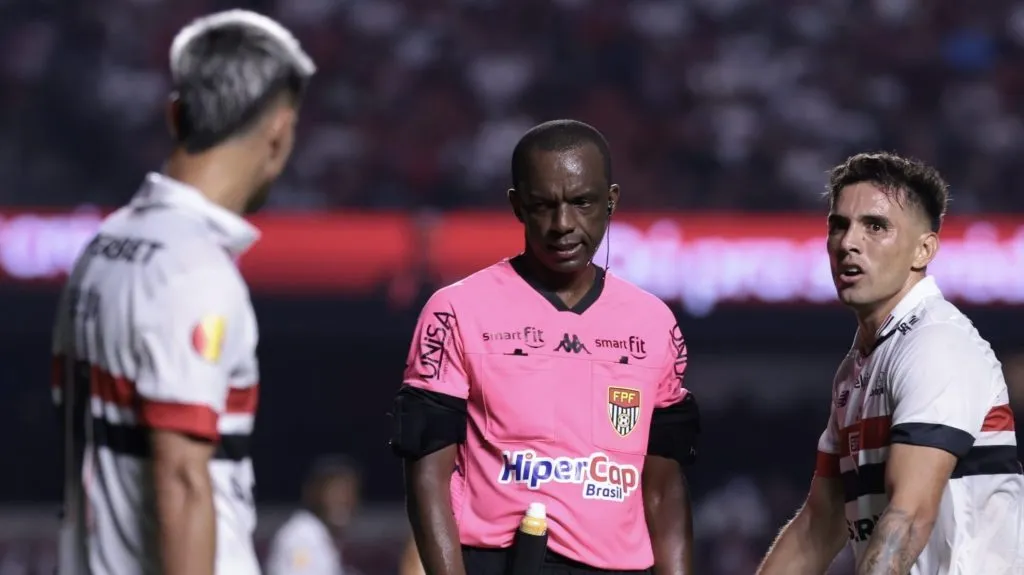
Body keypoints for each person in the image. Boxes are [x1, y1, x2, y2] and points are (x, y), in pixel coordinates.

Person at [49, 10, 315, 575]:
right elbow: (181, 479)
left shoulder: (102, 247)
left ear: (175, 115)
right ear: (279, 132)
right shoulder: (196, 272)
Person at [389, 119, 699, 575]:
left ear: (611, 201)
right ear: (517, 206)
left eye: (582, 202)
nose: (563, 224)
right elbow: (427, 476)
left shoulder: (655, 325)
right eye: (543, 206)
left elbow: (664, 491)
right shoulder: (455, 310)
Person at [756, 152, 1024, 575]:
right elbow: (819, 525)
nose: (848, 243)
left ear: (923, 249)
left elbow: (909, 516)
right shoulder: (857, 367)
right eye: (839, 225)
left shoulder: (937, 342)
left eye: (875, 226)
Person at [266, 455, 363, 575]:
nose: (344, 501)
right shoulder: (302, 534)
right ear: (314, 494)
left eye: (350, 494)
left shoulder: (321, 536)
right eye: (336, 492)